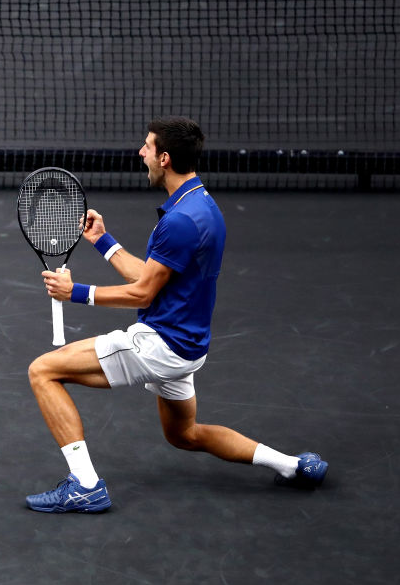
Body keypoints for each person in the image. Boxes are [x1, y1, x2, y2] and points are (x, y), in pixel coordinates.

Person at [25, 117, 327, 513]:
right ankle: (293, 466)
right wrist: (102, 241)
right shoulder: (201, 206)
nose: (141, 152)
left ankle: (84, 485)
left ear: (164, 158)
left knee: (43, 371)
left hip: (160, 344)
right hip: (189, 347)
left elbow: (143, 291)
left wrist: (75, 293)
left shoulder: (179, 222)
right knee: (184, 434)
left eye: (147, 147)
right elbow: (155, 277)